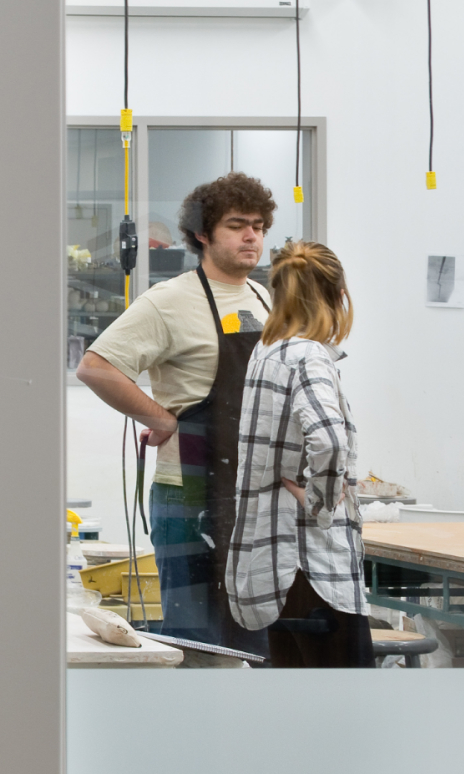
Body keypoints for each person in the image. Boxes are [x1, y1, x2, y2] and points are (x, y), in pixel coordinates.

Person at [74, 172, 276, 651]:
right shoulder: (170, 301)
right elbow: (96, 367)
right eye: (236, 225)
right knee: (199, 640)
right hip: (192, 495)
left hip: (255, 494)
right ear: (203, 234)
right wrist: (161, 418)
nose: (252, 236)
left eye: (259, 226)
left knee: (255, 637)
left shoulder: (266, 298)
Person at [225, 241, 371, 667]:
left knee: (293, 703)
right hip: (313, 565)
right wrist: (322, 503)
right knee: (346, 708)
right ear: (337, 295)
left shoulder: (267, 351)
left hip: (273, 565)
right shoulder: (309, 356)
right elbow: (329, 438)